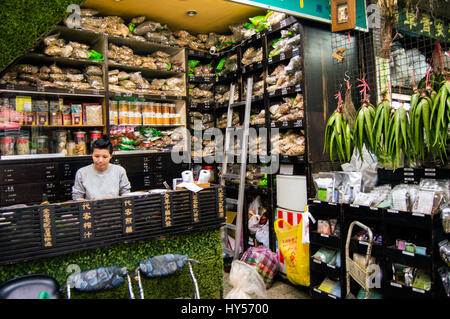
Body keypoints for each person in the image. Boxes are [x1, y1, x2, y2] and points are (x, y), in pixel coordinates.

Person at [72, 136, 131, 200]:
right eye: (96, 156)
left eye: (105, 157)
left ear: (111, 156)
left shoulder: (119, 171)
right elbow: (77, 197)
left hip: (115, 208)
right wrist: (92, 203)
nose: (100, 160)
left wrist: (115, 199)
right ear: (92, 155)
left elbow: (127, 195)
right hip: (91, 209)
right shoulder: (82, 173)